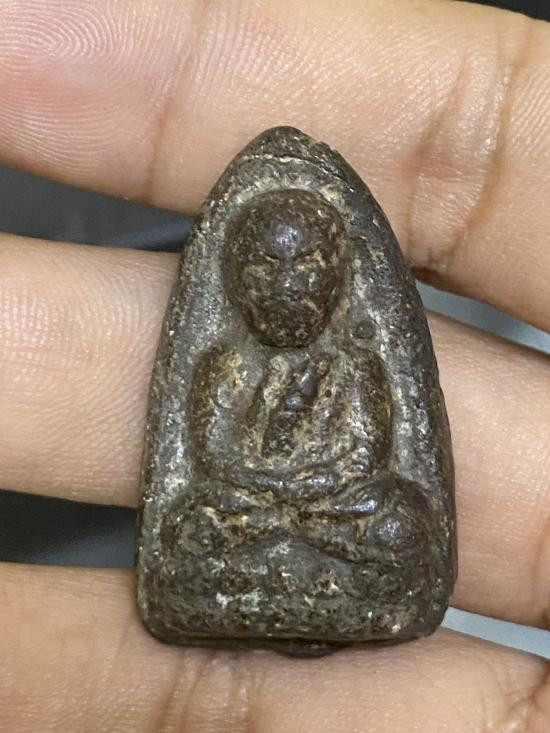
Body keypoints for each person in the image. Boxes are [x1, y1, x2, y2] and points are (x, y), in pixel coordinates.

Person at [1, 0, 549, 731]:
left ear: (335, 278)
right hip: (251, 514)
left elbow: (366, 456)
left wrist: (314, 494)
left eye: (306, 268)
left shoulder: (356, 363)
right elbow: (213, 459)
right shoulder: (222, 363)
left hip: (335, 512)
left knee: (400, 524)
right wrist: (272, 497)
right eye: (266, 269)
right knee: (191, 526)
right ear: (236, 280)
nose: (288, 287)